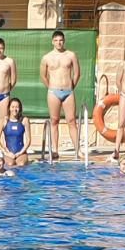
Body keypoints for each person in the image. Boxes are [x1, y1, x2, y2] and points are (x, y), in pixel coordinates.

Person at [41, 30, 82, 158]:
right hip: (53, 91)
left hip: (68, 91)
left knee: (71, 121)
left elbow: (77, 73)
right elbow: (43, 76)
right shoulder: (46, 57)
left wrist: (71, 86)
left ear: (64, 41)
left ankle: (78, 150)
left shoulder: (71, 55)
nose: (59, 43)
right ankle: (54, 150)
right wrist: (51, 87)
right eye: (56, 40)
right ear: (52, 41)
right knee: (54, 121)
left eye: (61, 40)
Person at [0, 97, 30, 167]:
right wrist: (6, 153)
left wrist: (20, 153)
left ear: (20, 108)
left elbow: (28, 141)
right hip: (8, 153)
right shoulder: (4, 120)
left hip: (21, 153)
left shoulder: (24, 120)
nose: (15, 109)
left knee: (21, 164)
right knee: (10, 164)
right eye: (12, 107)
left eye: (17, 107)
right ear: (9, 108)